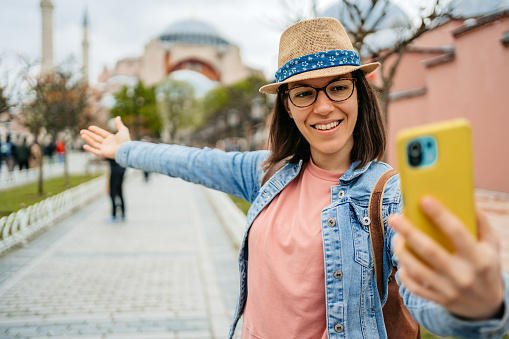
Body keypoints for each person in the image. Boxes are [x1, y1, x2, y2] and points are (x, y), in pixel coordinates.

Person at [81, 17, 509, 339]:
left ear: (359, 93)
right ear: (287, 105)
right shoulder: (268, 173)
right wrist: (125, 150)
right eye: (304, 92)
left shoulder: (389, 196)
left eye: (338, 87)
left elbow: (427, 298)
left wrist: (479, 306)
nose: (323, 107)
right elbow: (191, 161)